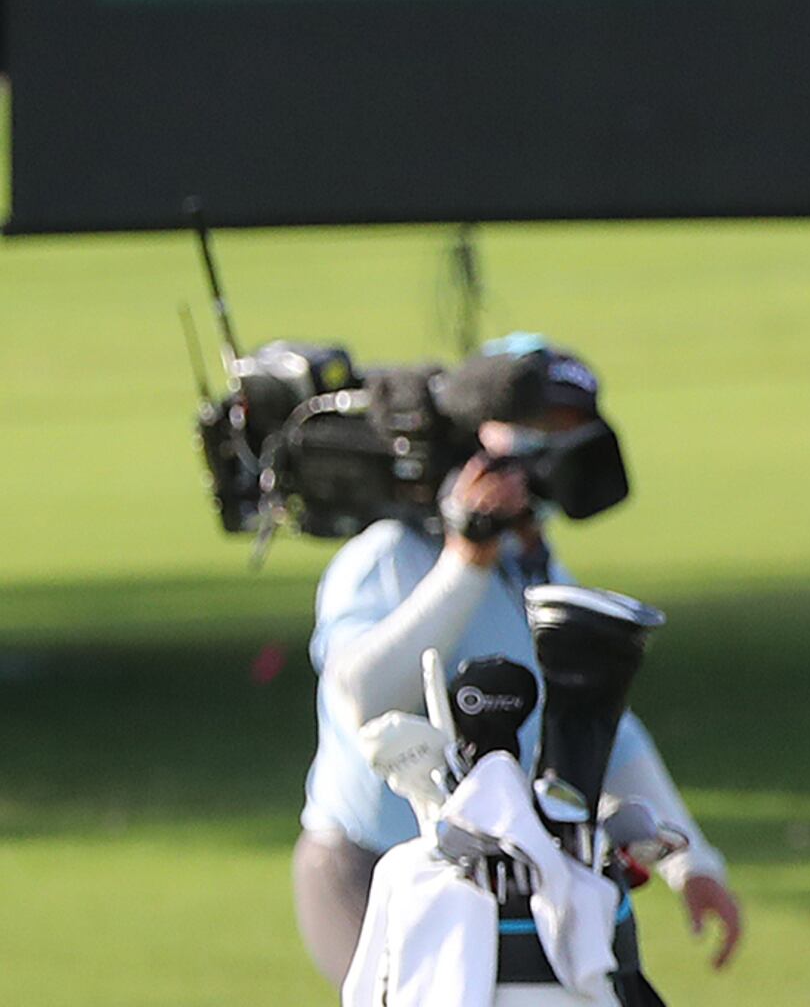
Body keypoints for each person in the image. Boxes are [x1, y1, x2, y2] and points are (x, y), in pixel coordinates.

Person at [298, 339, 744, 985]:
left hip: (500, 873)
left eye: (565, 432)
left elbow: (597, 723)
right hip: (371, 867)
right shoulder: (386, 558)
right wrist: (464, 560)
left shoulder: (532, 566)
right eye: (535, 429)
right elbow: (361, 699)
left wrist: (692, 862)